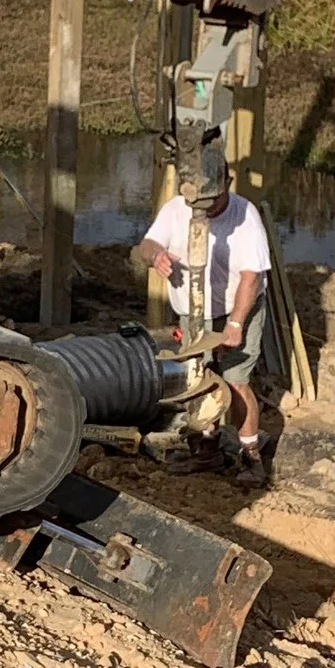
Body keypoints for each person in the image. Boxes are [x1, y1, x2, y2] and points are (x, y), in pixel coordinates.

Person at [138, 136, 272, 475]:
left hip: (236, 307)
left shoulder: (245, 216)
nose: (206, 209)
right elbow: (148, 242)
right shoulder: (176, 208)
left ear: (226, 183)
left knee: (236, 380)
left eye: (214, 201)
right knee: (197, 379)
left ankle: (251, 454)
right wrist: (156, 255)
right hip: (194, 310)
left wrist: (236, 324)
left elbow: (251, 278)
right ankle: (205, 451)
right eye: (200, 202)